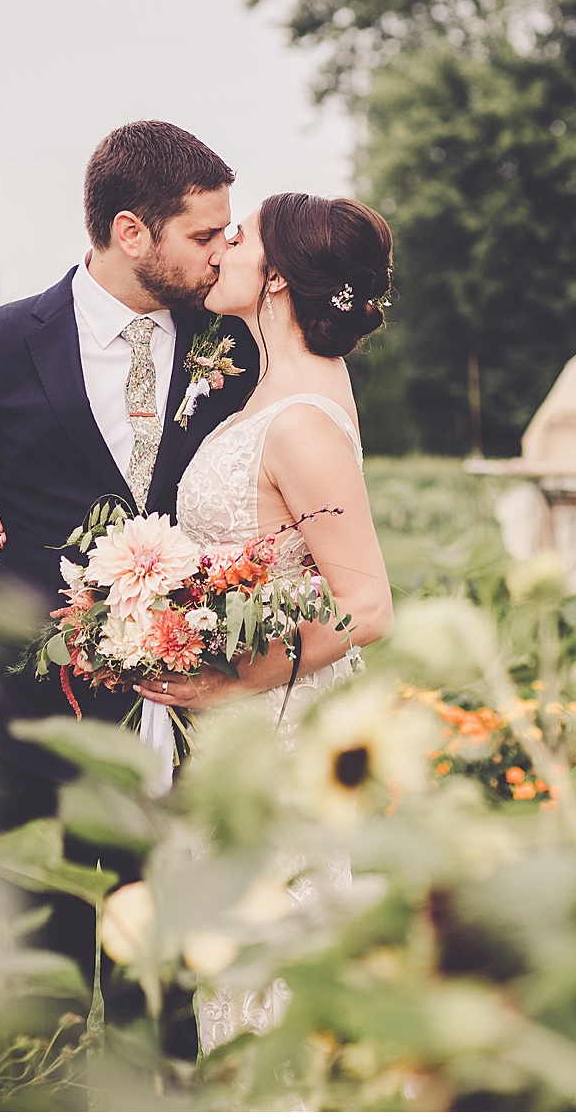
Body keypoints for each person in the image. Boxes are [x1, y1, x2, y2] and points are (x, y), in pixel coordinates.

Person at [0, 120, 257, 1045]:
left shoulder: (233, 348)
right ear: (131, 231)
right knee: (35, 1006)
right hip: (27, 719)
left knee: (168, 1003)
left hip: (184, 721)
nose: (223, 252)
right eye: (204, 236)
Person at [135, 191, 396, 1052]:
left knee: (273, 954)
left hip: (276, 716)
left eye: (238, 237)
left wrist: (225, 681)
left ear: (277, 276)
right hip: (245, 715)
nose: (221, 248)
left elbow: (366, 604)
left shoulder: (304, 419)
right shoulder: (275, 387)